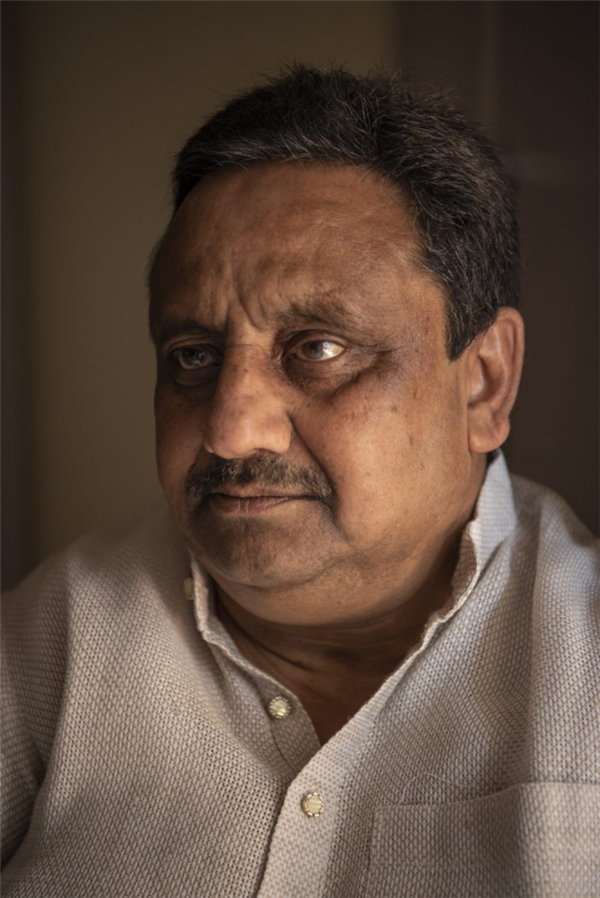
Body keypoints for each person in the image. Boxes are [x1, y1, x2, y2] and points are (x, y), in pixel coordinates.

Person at [2, 65, 598, 897]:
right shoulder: (54, 639)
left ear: (484, 383)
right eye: (193, 357)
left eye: (318, 348)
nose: (230, 429)